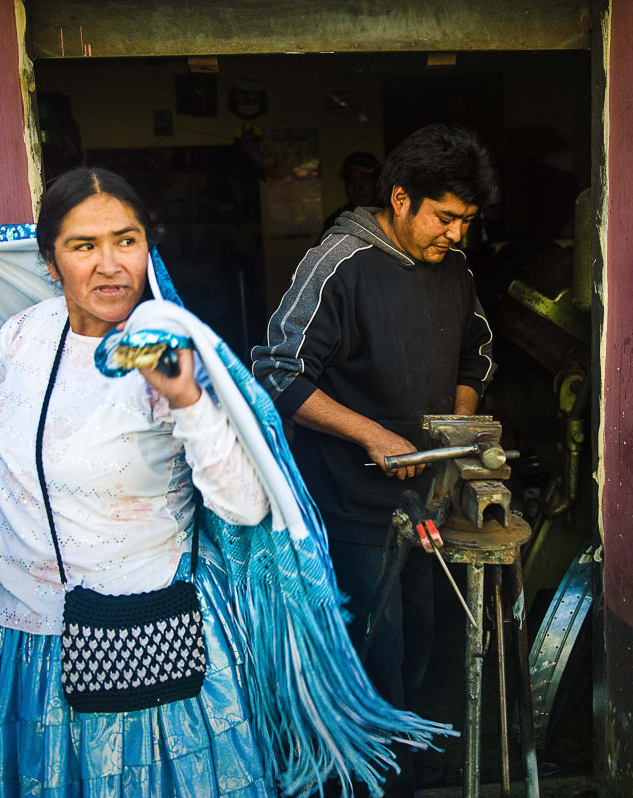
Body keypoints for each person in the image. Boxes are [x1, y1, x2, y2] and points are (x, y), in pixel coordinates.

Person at [0, 168, 275, 797]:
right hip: (25, 637)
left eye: (125, 241)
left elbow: (243, 506)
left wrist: (186, 398)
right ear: (51, 261)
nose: (110, 266)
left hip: (142, 636)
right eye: (83, 246)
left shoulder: (164, 348)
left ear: (147, 249)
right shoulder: (29, 332)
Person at [251, 123, 499, 795]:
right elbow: (277, 374)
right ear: (399, 199)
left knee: (422, 641)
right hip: (353, 509)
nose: (457, 235)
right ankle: (365, 780)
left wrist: (456, 417)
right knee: (370, 656)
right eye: (446, 218)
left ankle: (402, 766)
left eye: (467, 222)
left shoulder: (455, 271)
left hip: (430, 505)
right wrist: (372, 435)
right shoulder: (336, 265)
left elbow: (478, 350)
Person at [319, 151, 381, 243]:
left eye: (363, 179)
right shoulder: (337, 220)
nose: (356, 187)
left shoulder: (392, 216)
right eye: (350, 180)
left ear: (377, 180)